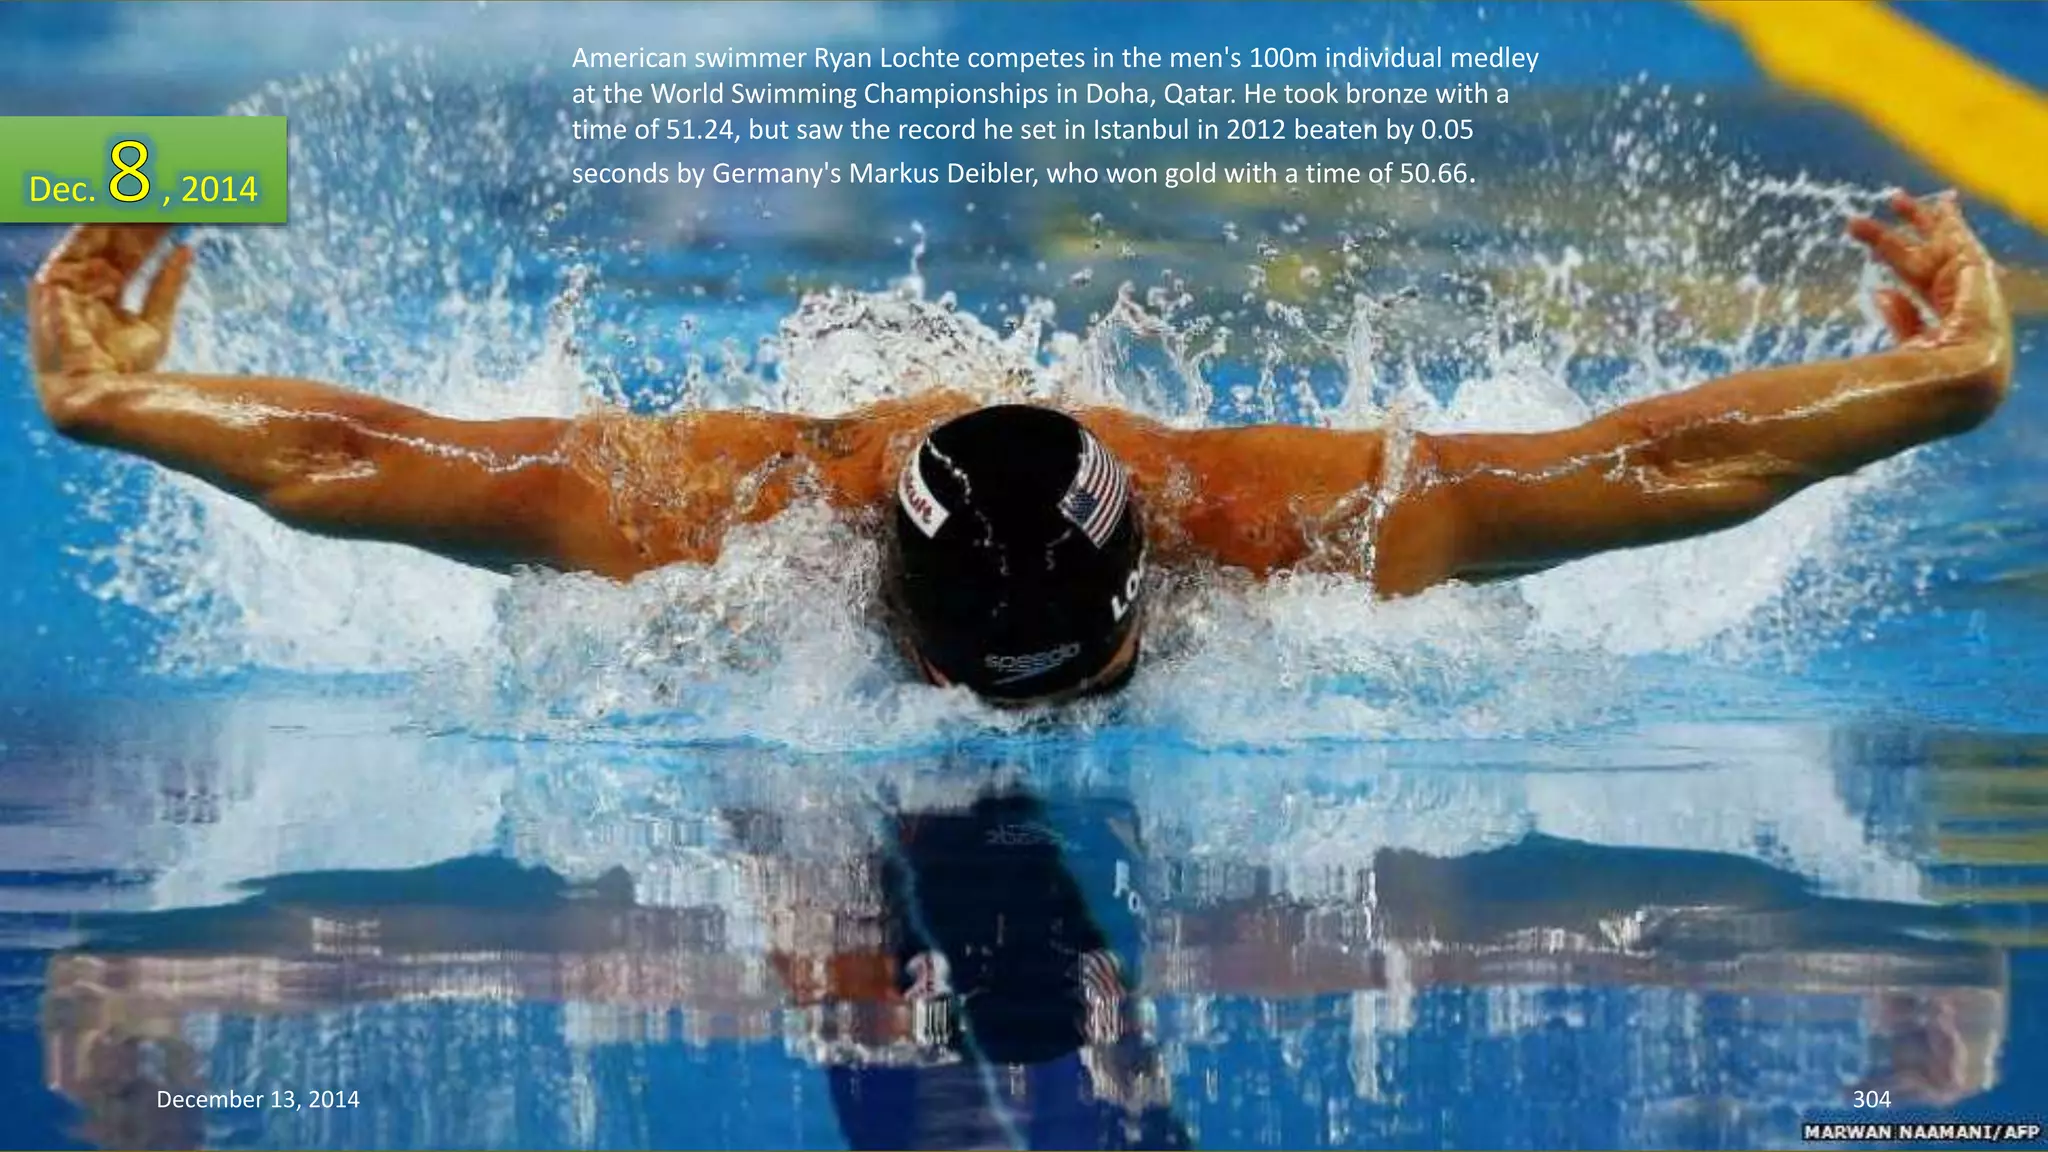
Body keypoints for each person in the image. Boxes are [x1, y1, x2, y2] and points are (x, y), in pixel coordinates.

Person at [27, 192, 2014, 704]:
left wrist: (1946, 389)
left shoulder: (1263, 521)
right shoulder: (729, 518)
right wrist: (112, 401)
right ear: (869, 605)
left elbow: (1638, 473)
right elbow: (367, 458)